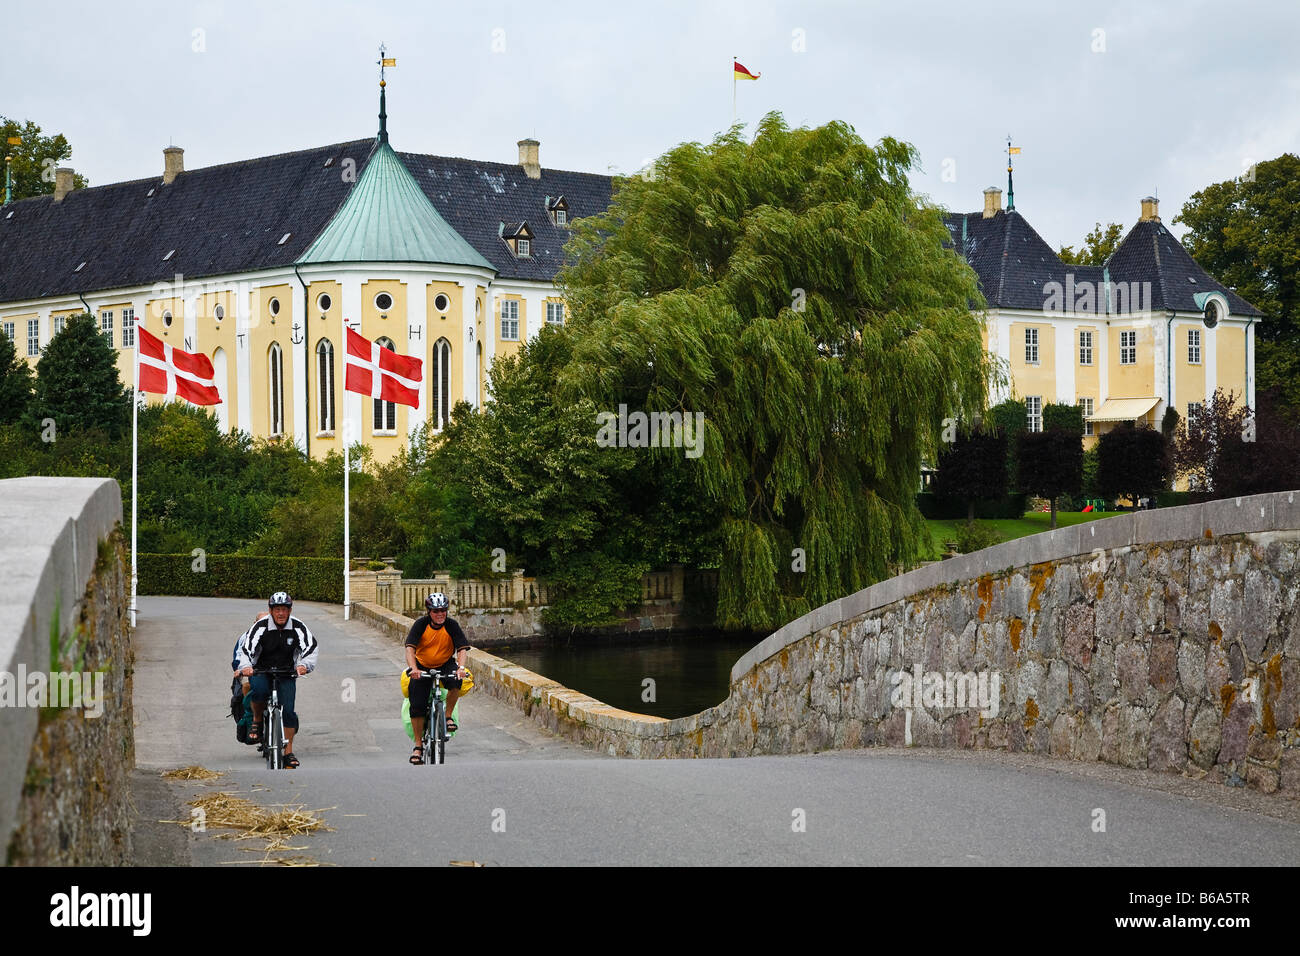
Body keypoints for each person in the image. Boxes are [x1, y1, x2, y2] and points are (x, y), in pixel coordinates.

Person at [235, 592, 318, 768]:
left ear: (290, 610)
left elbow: (310, 647)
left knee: (288, 711)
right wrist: (246, 666)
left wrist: (304, 665)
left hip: (287, 672)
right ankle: (257, 720)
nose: (281, 613)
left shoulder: (298, 626)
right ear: (271, 610)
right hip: (262, 670)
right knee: (258, 691)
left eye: (284, 610)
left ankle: (288, 753)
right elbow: (246, 648)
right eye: (277, 609)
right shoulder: (260, 627)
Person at [404, 592, 470, 764]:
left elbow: (462, 648)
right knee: (417, 705)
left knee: (457, 681)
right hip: (423, 665)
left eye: (443, 610)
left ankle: (447, 716)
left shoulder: (451, 625)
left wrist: (461, 668)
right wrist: (414, 669)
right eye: (436, 611)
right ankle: (418, 746)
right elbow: (410, 648)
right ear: (429, 611)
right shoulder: (421, 624)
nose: (440, 614)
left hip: (445, 662)